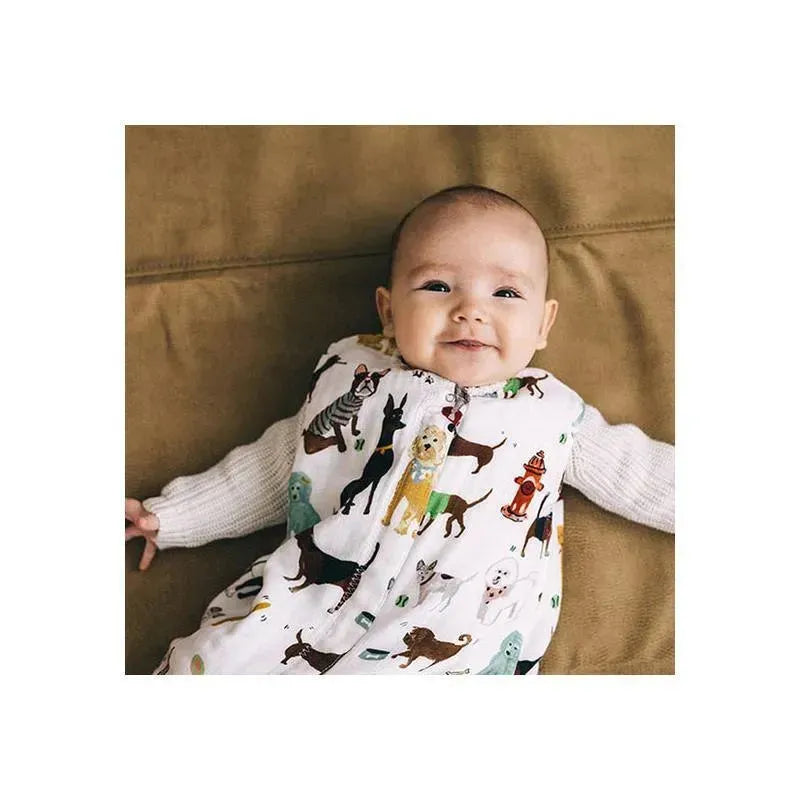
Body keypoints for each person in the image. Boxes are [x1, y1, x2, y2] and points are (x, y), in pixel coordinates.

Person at [125, 184, 674, 675]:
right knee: (210, 663)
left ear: (543, 324)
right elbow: (274, 470)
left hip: (445, 643)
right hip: (298, 607)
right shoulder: (352, 378)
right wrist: (172, 516)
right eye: (438, 285)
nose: (470, 310)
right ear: (388, 311)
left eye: (506, 294)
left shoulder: (553, 413)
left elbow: (639, 473)